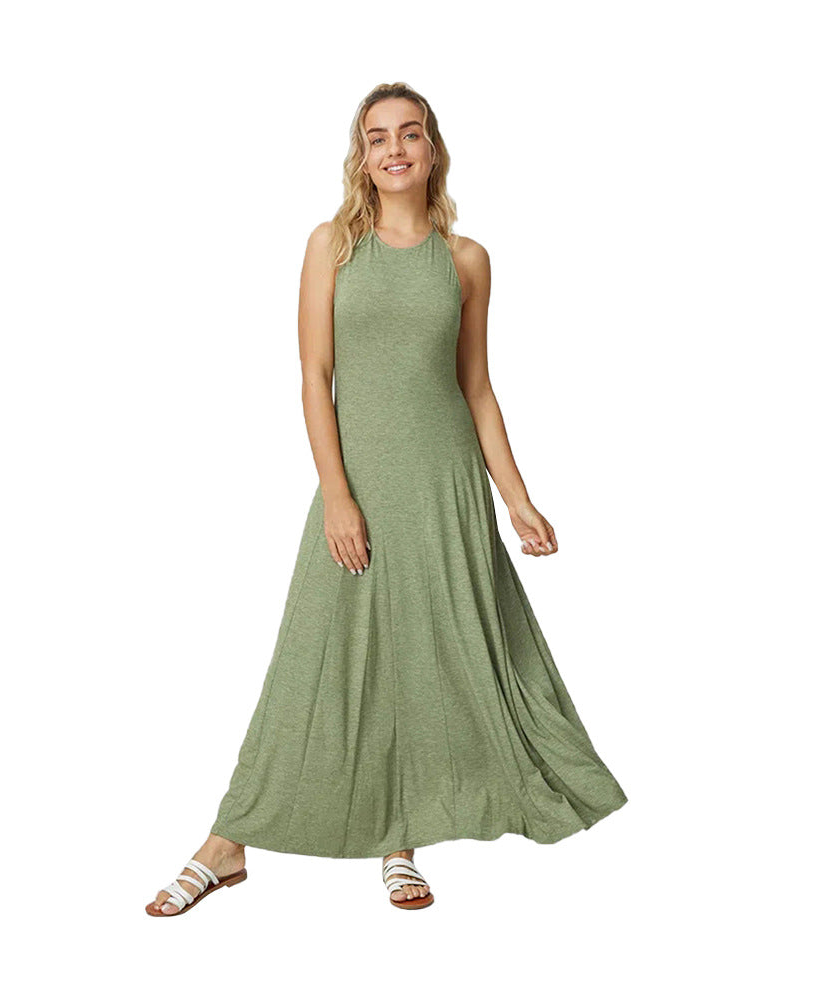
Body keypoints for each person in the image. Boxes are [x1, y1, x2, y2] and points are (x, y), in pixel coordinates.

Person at [146, 81, 628, 916]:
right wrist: (337, 495)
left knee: (424, 665)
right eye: (378, 137)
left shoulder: (466, 259)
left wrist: (516, 500)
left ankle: (400, 842)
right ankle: (227, 842)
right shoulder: (332, 244)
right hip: (362, 483)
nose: (395, 148)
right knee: (314, 663)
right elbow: (313, 376)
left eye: (410, 133)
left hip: (445, 487)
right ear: (361, 156)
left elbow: (476, 388)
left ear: (433, 149)